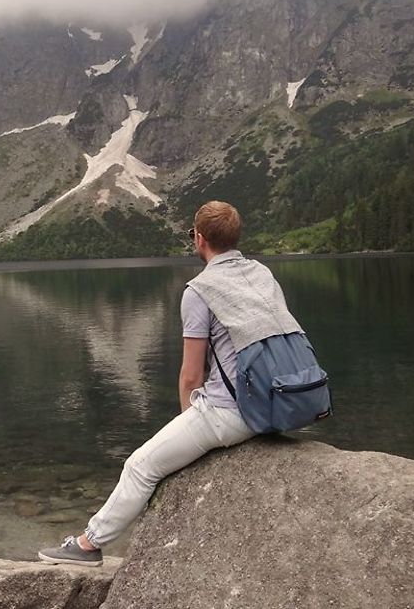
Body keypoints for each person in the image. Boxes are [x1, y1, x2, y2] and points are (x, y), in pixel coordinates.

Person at [38, 200, 303, 566]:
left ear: (199, 239)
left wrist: (189, 424)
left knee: (139, 466)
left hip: (233, 412)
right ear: (235, 237)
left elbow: (192, 375)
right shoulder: (262, 273)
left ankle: (87, 545)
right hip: (281, 401)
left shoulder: (200, 289)